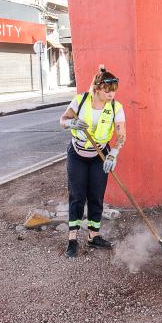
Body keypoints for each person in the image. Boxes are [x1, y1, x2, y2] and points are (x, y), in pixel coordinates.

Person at [59, 66, 126, 257]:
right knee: (77, 196)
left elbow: (121, 135)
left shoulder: (116, 107)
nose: (111, 93)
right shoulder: (80, 100)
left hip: (100, 155)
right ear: (97, 88)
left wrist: (114, 152)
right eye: (107, 90)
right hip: (78, 154)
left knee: (96, 196)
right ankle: (72, 239)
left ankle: (93, 236)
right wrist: (71, 123)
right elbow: (62, 120)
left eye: (114, 90)